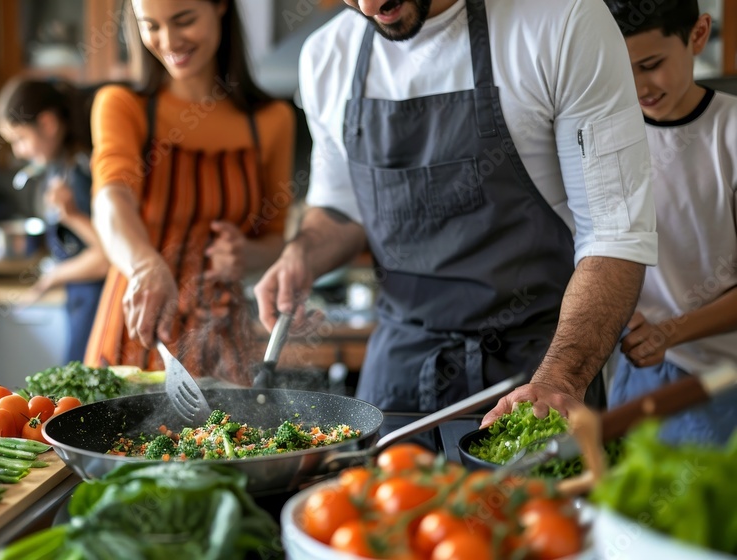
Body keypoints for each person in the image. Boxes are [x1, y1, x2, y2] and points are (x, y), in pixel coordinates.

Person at [254, 0, 659, 420]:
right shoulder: (327, 54)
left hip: (536, 373)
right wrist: (301, 255)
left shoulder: (564, 21)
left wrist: (560, 380)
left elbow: (614, 235)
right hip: (397, 378)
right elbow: (340, 208)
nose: (369, 5)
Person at [85, 0, 294, 381]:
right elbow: (110, 199)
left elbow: (277, 238)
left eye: (183, 20)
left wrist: (245, 254)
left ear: (219, 7)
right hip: (134, 330)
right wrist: (144, 265)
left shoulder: (271, 121)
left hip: (221, 341)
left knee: (228, 440)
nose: (169, 40)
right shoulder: (122, 105)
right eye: (152, 26)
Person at [602, 0, 737, 445]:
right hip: (634, 375)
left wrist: (670, 331)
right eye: (622, 69)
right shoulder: (604, 135)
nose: (638, 85)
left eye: (651, 64)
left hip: (719, 381)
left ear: (698, 35)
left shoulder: (730, 133)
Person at [0, 77, 109, 363]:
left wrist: (53, 276)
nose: (18, 151)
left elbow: (107, 257)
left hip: (100, 304)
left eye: (20, 138)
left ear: (47, 123)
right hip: (82, 300)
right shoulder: (61, 165)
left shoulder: (82, 172)